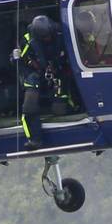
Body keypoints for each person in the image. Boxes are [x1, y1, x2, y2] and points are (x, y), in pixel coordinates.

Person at [18, 14, 77, 145]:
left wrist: (60, 67)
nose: (47, 39)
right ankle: (34, 139)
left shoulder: (62, 34)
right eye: (44, 37)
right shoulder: (28, 41)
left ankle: (74, 108)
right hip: (35, 74)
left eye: (48, 35)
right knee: (29, 105)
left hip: (59, 72)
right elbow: (20, 60)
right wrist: (36, 68)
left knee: (59, 109)